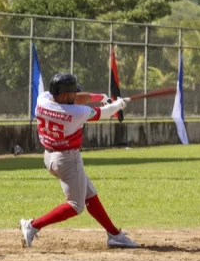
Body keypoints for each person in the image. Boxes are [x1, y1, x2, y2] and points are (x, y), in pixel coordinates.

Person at [19, 73, 139, 249]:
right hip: (67, 160)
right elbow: (104, 113)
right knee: (76, 205)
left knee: (89, 194)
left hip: (50, 156)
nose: (75, 95)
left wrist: (101, 97)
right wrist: (117, 105)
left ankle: (115, 235)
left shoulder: (42, 100)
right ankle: (32, 225)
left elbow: (75, 100)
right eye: (72, 93)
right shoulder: (75, 113)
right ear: (65, 95)